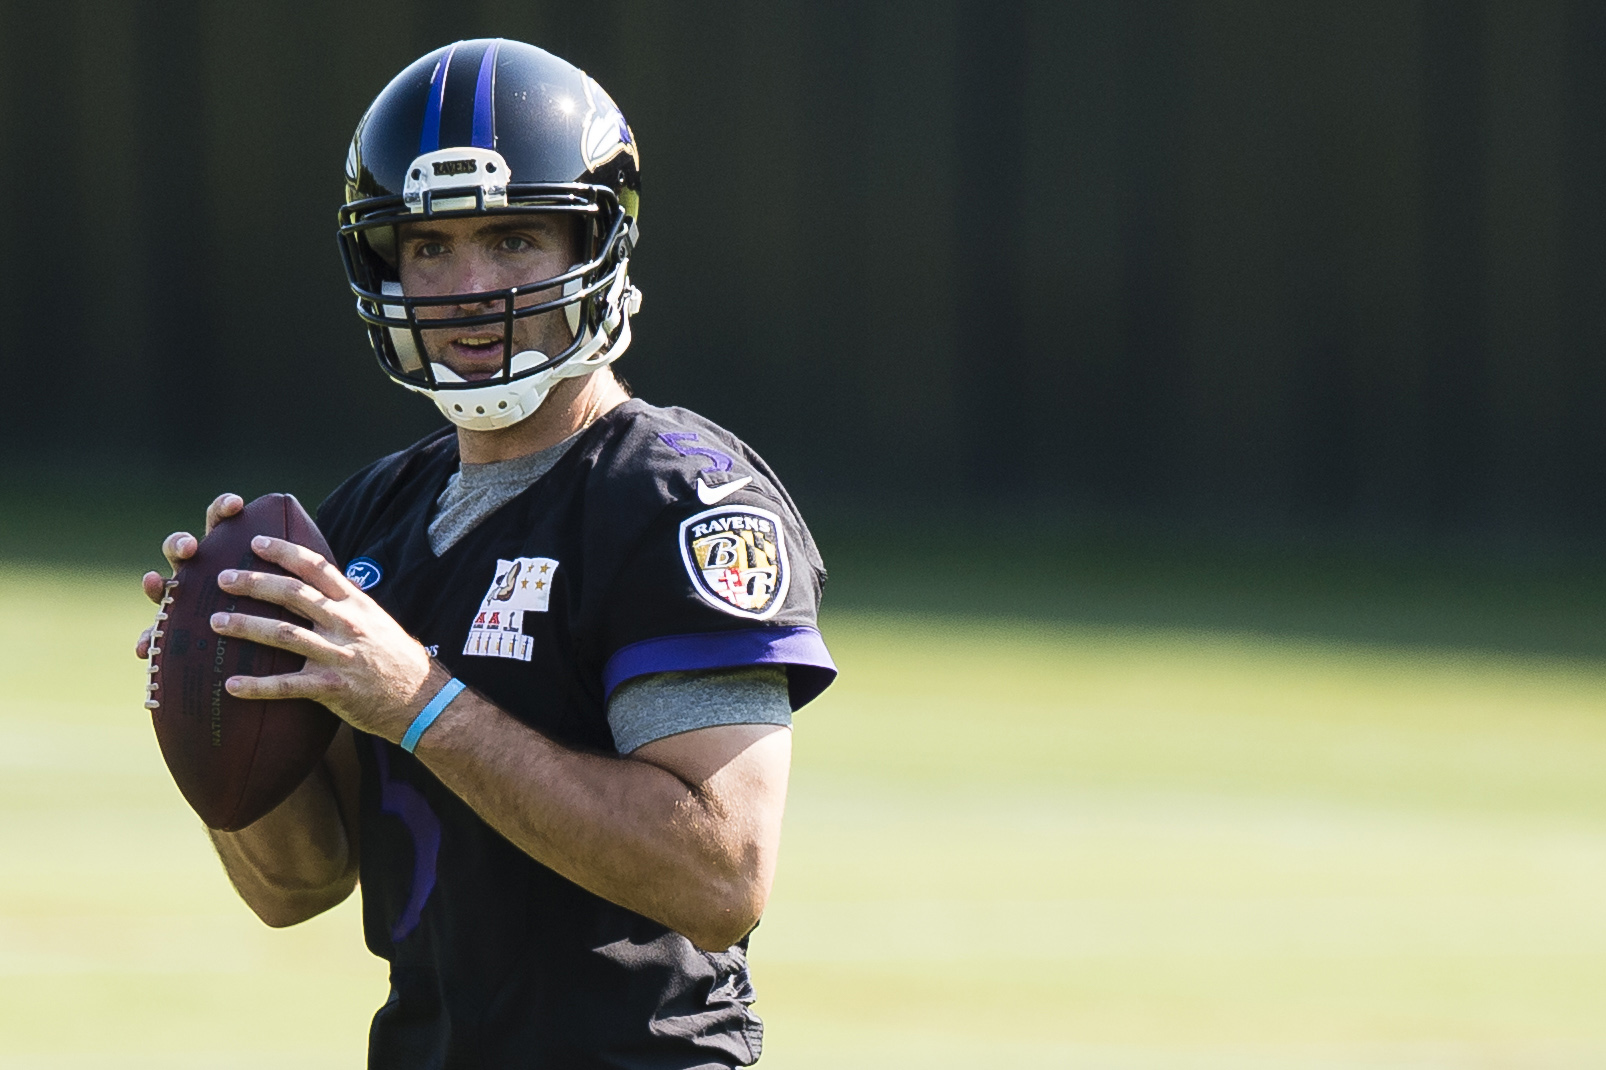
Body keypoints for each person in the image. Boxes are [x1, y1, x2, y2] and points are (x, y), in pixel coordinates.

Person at [133, 39, 834, 1068]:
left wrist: (418, 698)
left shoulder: (680, 498)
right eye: (428, 248)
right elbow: (299, 884)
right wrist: (214, 703)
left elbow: (719, 880)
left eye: (512, 240)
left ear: (595, 243)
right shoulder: (371, 513)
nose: (466, 286)